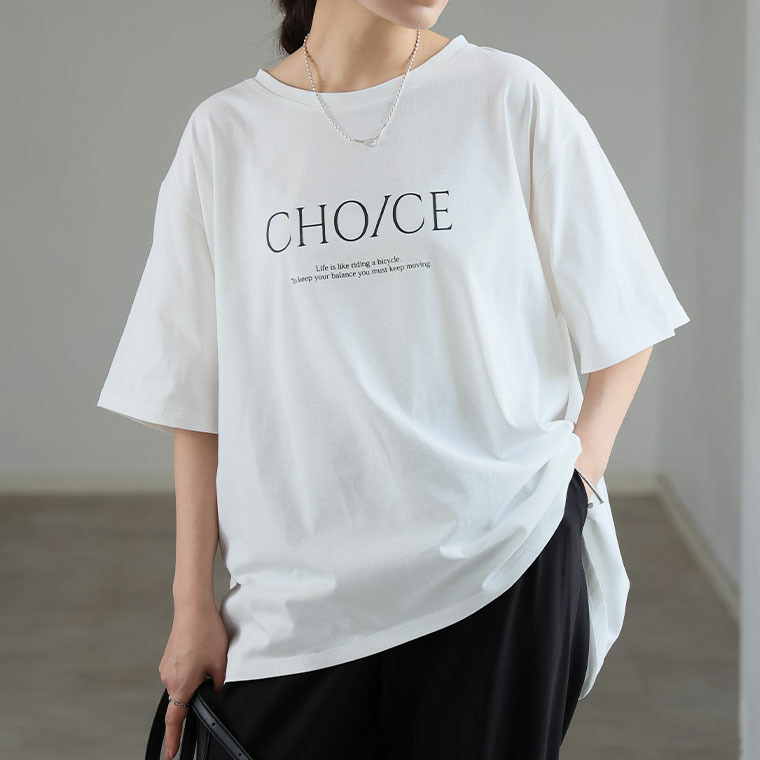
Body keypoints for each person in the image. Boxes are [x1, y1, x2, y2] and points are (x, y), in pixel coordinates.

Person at [96, 1, 690, 758]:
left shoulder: (508, 95)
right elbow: (195, 395)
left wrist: (576, 483)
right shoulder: (226, 135)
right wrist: (192, 606)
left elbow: (625, 311)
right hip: (297, 598)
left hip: (499, 566)